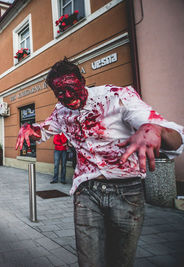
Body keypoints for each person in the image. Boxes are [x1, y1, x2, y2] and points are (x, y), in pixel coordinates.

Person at [16, 58, 184, 266]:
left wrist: (155, 130)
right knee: (89, 262)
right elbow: (43, 131)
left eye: (71, 88)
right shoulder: (61, 111)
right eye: (60, 92)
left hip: (127, 192)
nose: (67, 96)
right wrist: (29, 129)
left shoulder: (117, 97)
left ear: (82, 80)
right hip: (87, 191)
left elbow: (176, 137)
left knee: (120, 261)